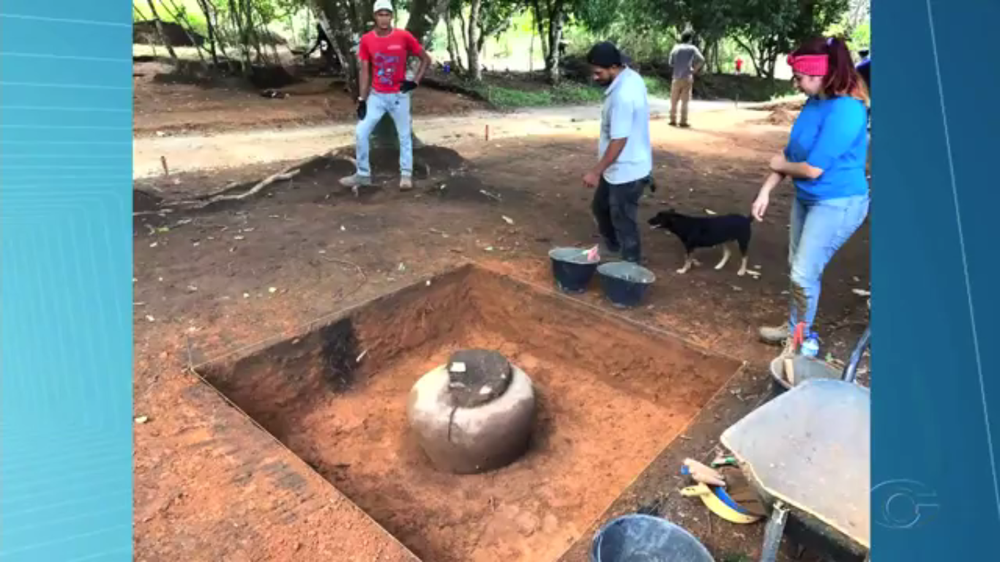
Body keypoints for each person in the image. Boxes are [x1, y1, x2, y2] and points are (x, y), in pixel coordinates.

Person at [752, 37, 871, 346]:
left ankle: (801, 342)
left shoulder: (847, 110)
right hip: (809, 198)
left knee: (803, 274)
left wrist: (777, 163)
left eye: (801, 78)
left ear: (822, 75)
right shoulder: (816, 101)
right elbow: (792, 154)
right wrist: (766, 189)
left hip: (839, 203)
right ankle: (795, 330)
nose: (797, 84)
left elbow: (811, 168)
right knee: (798, 270)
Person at [339, 0, 432, 192]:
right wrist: (362, 99)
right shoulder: (367, 40)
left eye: (387, 14)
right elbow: (365, 71)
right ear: (375, 16)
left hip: (399, 95)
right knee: (361, 132)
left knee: (404, 135)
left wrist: (415, 81)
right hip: (377, 96)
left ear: (392, 16)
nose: (384, 18)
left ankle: (406, 174)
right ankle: (363, 174)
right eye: (380, 14)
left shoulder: (403, 36)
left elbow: (425, 58)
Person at [583, 42, 652, 264]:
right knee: (600, 207)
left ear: (614, 67)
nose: (595, 77)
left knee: (623, 219)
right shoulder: (631, 77)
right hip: (621, 166)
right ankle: (614, 246)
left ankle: (631, 266)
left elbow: (619, 140)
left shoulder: (622, 96)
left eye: (598, 72)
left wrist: (595, 171)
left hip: (627, 170)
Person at [668, 31, 705, 128]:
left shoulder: (675, 48)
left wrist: (677, 66)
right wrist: (694, 70)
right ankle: (683, 121)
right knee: (685, 100)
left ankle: (672, 119)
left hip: (676, 77)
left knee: (673, 100)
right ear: (690, 39)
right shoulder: (692, 48)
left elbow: (670, 63)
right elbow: (701, 59)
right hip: (687, 77)